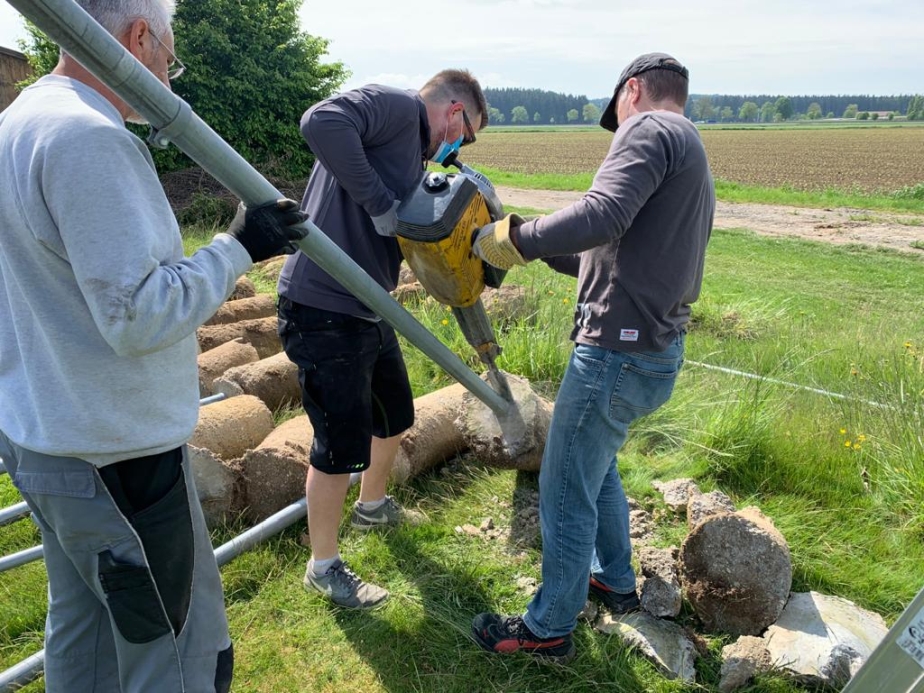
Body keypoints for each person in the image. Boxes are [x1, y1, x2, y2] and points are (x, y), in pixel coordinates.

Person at [0, 1, 307, 690]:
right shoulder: (88, 138)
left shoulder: (18, 121)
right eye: (170, 55)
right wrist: (239, 246)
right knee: (176, 652)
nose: (169, 73)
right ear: (139, 38)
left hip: (43, 436)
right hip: (118, 461)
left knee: (85, 634)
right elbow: (138, 314)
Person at [470, 53, 715, 663]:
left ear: (632, 91)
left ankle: (548, 627)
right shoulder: (688, 146)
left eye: (618, 115)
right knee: (594, 467)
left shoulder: (651, 127)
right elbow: (603, 251)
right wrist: (522, 245)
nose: (620, 127)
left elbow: (601, 215)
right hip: (649, 351)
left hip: (615, 356)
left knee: (562, 486)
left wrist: (515, 239)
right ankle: (615, 578)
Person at [277, 70, 487, 609]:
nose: (459, 147)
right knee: (338, 444)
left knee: (393, 414)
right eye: (466, 135)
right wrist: (378, 202)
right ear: (454, 111)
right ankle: (323, 567)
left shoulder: (415, 153)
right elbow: (319, 121)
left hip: (368, 305)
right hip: (324, 305)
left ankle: (372, 508)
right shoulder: (398, 107)